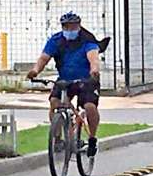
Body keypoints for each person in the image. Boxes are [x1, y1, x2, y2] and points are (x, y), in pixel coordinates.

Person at [27, 12, 101, 157]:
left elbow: (93, 58)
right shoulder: (56, 40)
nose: (70, 30)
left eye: (73, 26)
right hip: (65, 80)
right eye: (66, 27)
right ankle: (58, 138)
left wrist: (94, 71)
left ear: (79, 26)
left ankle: (92, 138)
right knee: (55, 102)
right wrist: (35, 71)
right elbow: (44, 58)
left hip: (85, 80)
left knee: (89, 106)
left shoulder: (87, 39)